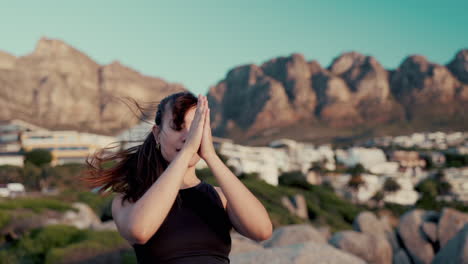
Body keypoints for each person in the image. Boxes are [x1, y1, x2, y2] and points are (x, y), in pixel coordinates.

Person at [83, 92, 273, 263]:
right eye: (177, 126)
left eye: (195, 128)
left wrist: (211, 156)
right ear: (157, 134)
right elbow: (139, 231)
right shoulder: (130, 200)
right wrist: (188, 150)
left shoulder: (220, 197)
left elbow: (262, 231)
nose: (187, 137)